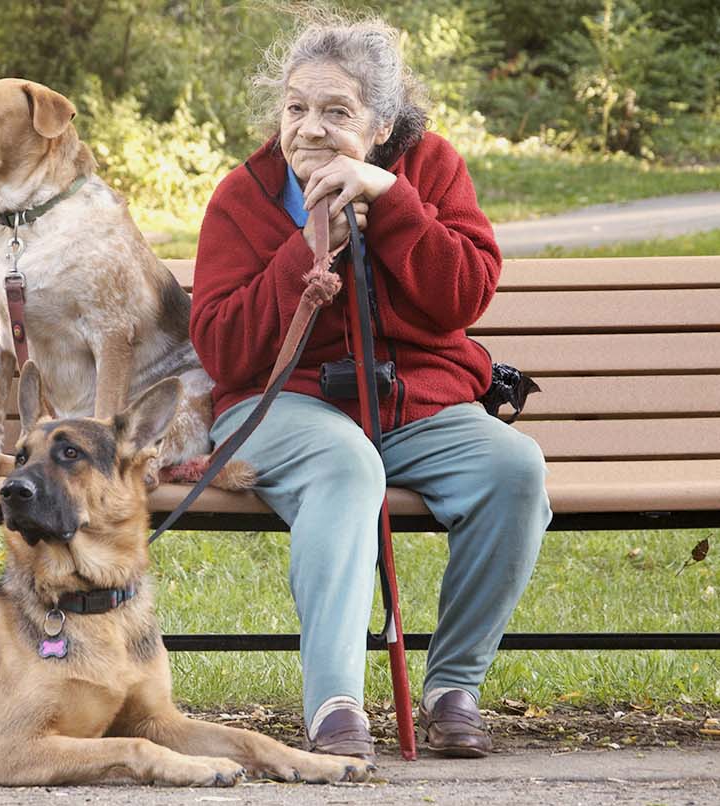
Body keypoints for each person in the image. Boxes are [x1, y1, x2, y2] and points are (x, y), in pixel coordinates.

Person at [190, 18, 551, 763]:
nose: (310, 128)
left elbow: (465, 295)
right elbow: (222, 349)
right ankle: (335, 705)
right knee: (346, 462)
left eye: (337, 111)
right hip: (283, 410)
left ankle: (454, 688)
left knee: (514, 469)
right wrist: (306, 251)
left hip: (413, 405)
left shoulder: (432, 168)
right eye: (296, 108)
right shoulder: (244, 197)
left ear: (382, 124)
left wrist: (392, 204)